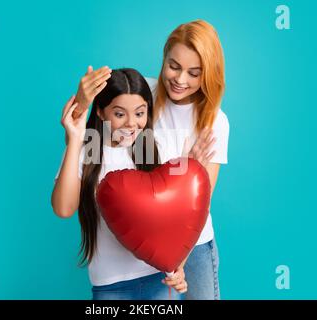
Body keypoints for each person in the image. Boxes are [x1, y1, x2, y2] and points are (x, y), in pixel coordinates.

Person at [72, 19, 229, 300]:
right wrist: (83, 102)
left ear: (209, 74)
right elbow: (90, 137)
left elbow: (201, 201)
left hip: (193, 241)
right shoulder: (143, 94)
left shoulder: (215, 122)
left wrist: (175, 263)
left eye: (194, 73)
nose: (181, 80)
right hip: (146, 245)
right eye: (174, 66)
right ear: (164, 58)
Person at [51, 68, 186, 300]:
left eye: (140, 113)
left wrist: (179, 266)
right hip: (111, 286)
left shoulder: (156, 148)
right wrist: (75, 139)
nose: (132, 124)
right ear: (101, 113)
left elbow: (179, 216)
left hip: (159, 279)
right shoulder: (90, 150)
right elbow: (64, 209)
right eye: (120, 114)